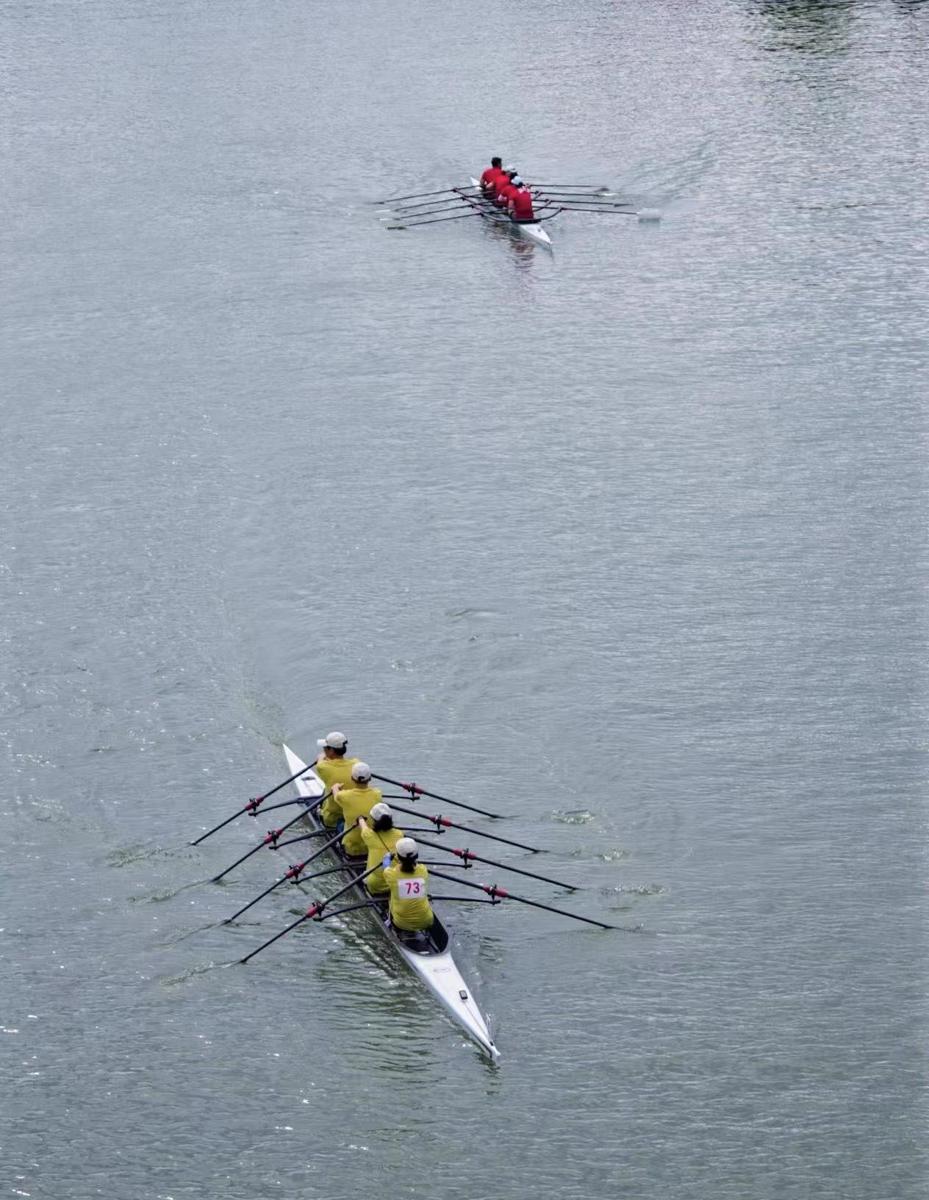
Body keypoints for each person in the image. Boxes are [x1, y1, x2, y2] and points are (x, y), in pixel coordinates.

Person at [330, 762, 382, 856]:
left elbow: (336, 794)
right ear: (370, 778)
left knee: (340, 822)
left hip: (351, 848)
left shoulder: (344, 796)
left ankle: (339, 845)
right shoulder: (377, 794)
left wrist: (335, 787)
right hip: (370, 845)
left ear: (352, 778)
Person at [383, 837, 434, 932]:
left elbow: (385, 867)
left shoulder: (391, 874)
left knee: (391, 893)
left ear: (398, 857)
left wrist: (387, 858)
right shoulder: (423, 870)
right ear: (416, 855)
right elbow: (414, 865)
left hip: (402, 924)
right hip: (427, 921)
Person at [357, 803, 406, 896]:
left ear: (373, 820)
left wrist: (360, 819)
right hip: (394, 882)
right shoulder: (399, 834)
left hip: (375, 885)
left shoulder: (369, 835)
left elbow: (363, 825)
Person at [314, 732, 361, 828]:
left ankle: (319, 811)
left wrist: (321, 756)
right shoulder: (357, 763)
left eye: (325, 748)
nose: (323, 749)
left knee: (324, 793)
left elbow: (320, 760)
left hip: (333, 819)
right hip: (355, 814)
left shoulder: (323, 767)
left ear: (331, 751)